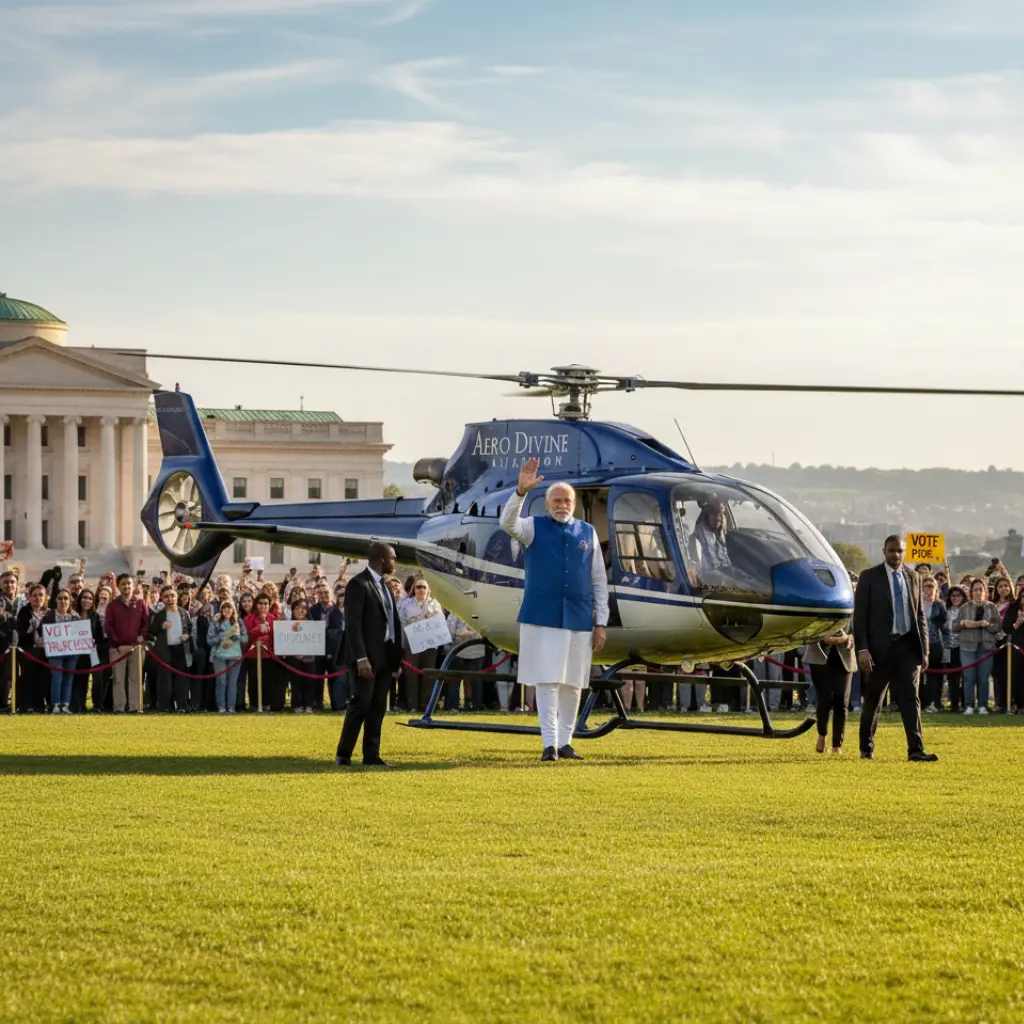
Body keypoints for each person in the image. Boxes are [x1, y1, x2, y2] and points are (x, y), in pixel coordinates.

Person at [500, 458, 608, 762]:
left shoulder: (587, 533)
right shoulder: (534, 527)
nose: (562, 505)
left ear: (574, 504)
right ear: (548, 504)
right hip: (542, 615)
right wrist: (520, 492)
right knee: (548, 680)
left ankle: (566, 741)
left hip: (578, 617)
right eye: (557, 500)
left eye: (567, 501)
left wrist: (601, 621)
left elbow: (599, 580)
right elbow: (507, 524)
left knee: (573, 682)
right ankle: (549, 743)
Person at [853, 535, 937, 762]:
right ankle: (866, 748)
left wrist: (925, 650)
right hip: (879, 650)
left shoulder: (914, 577)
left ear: (904, 552)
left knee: (911, 698)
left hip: (908, 647)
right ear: (884, 551)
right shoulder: (869, 577)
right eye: (892, 551)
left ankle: (916, 750)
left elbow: (919, 615)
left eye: (900, 551)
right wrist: (862, 649)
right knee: (874, 699)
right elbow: (859, 617)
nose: (896, 555)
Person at [335, 543, 404, 767]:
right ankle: (343, 755)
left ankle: (371, 755)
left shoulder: (385, 586)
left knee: (377, 706)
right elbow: (353, 625)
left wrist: (396, 659)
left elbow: (392, 623)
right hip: (366, 657)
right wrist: (361, 658)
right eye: (393, 558)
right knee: (361, 703)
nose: (395, 562)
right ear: (382, 559)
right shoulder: (358, 584)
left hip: (385, 655)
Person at [803, 627, 856, 754]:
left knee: (841, 699)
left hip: (845, 655)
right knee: (824, 698)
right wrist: (823, 638)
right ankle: (822, 735)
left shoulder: (855, 607)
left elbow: (859, 628)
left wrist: (847, 638)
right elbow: (808, 628)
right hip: (819, 655)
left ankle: (837, 745)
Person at [954, 578, 1000, 716]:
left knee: (983, 678)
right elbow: (954, 626)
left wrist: (988, 625)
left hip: (986, 648)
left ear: (985, 591)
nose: (978, 592)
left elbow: (998, 626)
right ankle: (969, 705)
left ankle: (982, 706)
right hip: (967, 648)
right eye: (976, 590)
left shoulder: (992, 607)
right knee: (968, 678)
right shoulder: (964, 607)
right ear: (971, 592)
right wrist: (962, 623)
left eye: (981, 589)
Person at [398, 580, 446, 713]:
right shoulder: (406, 604)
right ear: (414, 589)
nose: (421, 589)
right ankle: (412, 705)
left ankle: (426, 705)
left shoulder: (435, 604)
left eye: (423, 587)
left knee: (428, 675)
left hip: (430, 645)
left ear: (428, 589)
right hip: (411, 644)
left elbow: (440, 622)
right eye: (418, 587)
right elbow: (401, 621)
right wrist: (414, 621)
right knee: (411, 675)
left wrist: (430, 617)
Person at [105, 572, 149, 713]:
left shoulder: (140, 603)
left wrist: (141, 637)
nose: (126, 586)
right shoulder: (112, 605)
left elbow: (145, 623)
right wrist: (117, 643)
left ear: (133, 585)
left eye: (129, 583)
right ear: (118, 586)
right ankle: (119, 707)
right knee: (118, 679)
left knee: (135, 679)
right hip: (118, 648)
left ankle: (135, 707)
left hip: (136, 647)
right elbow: (109, 626)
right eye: (123, 584)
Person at [147, 587, 194, 713]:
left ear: (176, 597)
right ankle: (165, 706)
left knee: (181, 679)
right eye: (167, 596)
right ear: (162, 599)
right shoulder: (160, 615)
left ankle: (182, 706)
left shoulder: (184, 613)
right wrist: (161, 627)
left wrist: (187, 636)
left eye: (172, 596)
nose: (170, 599)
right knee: (165, 680)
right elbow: (151, 633)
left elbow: (190, 630)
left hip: (181, 649)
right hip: (165, 651)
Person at [40, 589, 80, 714]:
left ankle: (65, 705)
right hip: (55, 653)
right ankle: (56, 705)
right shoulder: (49, 615)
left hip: (72, 653)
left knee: (68, 679)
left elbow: (81, 634)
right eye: (60, 598)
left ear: (70, 601)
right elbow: (41, 632)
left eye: (66, 598)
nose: (63, 601)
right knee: (56, 679)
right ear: (56, 601)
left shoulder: (75, 616)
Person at [243, 593, 282, 711]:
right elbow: (246, 638)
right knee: (254, 680)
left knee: (268, 680)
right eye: (260, 603)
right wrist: (257, 630)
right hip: (253, 655)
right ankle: (254, 704)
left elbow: (278, 637)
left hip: (269, 655)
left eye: (266, 603)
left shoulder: (273, 618)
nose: (263, 606)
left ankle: (267, 704)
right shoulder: (248, 618)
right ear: (256, 604)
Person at [207, 599, 247, 713]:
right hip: (219, 655)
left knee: (232, 682)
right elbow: (209, 640)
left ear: (233, 609)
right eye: (224, 608)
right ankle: (221, 707)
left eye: (229, 607)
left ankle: (231, 707)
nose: (227, 610)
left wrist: (237, 637)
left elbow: (245, 638)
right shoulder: (215, 622)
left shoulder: (238, 621)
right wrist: (221, 637)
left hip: (234, 655)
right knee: (221, 681)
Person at [921, 576, 949, 714]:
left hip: (936, 643)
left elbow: (945, 628)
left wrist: (947, 647)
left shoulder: (940, 605)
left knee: (935, 675)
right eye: (926, 586)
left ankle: (934, 703)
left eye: (931, 586)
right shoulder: (916, 604)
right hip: (919, 644)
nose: (928, 590)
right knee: (919, 675)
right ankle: (920, 702)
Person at [285, 598, 318, 713]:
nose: (301, 611)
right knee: (296, 682)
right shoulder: (288, 625)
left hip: (309, 659)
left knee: (309, 682)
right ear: (293, 610)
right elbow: (286, 642)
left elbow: (316, 641)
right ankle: (296, 705)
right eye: (298, 608)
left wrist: (305, 651)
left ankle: (308, 705)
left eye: (304, 608)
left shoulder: (313, 625)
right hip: (293, 659)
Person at [990, 576, 1014, 713]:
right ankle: (998, 703)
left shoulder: (1014, 604)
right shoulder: (992, 605)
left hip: (1009, 642)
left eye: (1006, 586)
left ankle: (1009, 703)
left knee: (1009, 673)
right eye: (1000, 586)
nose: (1003, 589)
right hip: (994, 643)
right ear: (996, 589)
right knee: (996, 673)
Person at [689, 498, 731, 574]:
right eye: (714, 513)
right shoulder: (698, 536)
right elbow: (704, 569)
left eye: (721, 514)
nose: (718, 518)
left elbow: (726, 564)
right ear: (706, 515)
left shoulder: (720, 536)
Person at [944, 585, 967, 712]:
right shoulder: (946, 610)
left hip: (964, 646)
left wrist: (953, 626)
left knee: (966, 677)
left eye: (958, 595)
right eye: (953, 595)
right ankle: (953, 704)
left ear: (963, 597)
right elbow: (944, 625)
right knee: (953, 678)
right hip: (949, 647)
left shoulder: (967, 610)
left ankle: (965, 703)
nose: (955, 598)